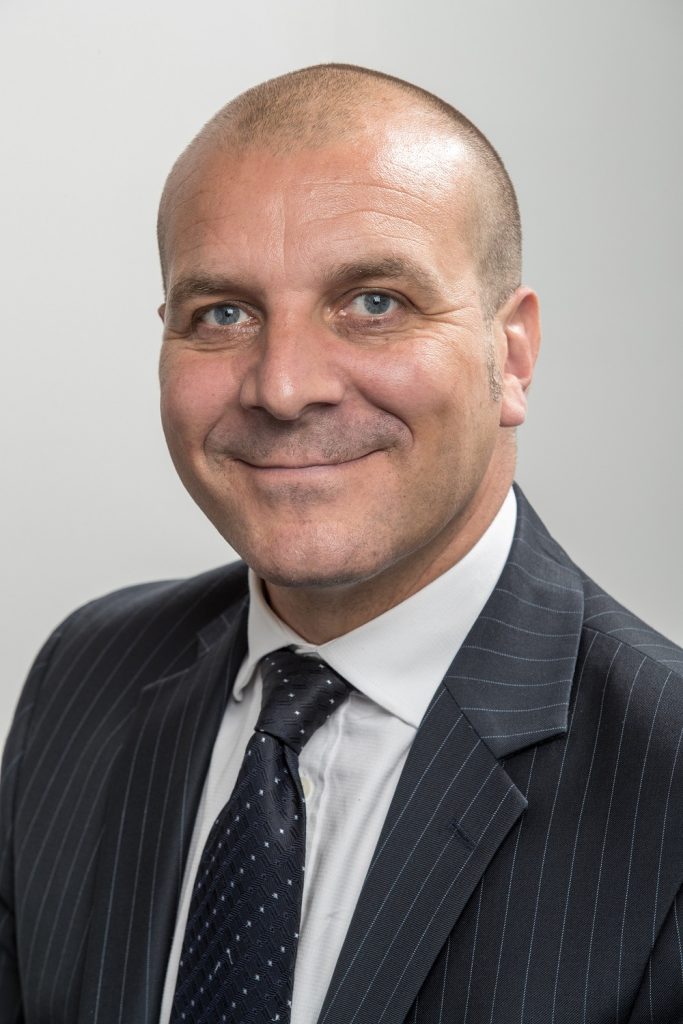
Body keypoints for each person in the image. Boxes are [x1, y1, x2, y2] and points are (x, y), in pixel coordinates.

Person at [1, 63, 682, 1024]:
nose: (283, 388)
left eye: (374, 302)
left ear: (511, 356)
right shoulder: (86, 673)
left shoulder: (664, 777)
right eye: (223, 314)